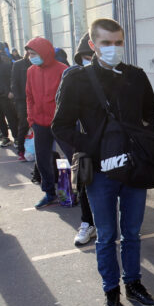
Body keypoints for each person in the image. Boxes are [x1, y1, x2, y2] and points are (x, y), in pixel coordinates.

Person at [52, 18, 154, 306]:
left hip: (134, 170)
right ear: (93, 45)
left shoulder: (135, 76)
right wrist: (91, 149)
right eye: (106, 43)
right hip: (100, 173)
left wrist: (141, 141)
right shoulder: (77, 79)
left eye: (118, 43)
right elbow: (60, 125)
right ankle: (111, 290)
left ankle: (133, 283)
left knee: (132, 233)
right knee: (105, 235)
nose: (113, 49)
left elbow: (151, 114)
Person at [57, 32, 97, 246]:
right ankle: (87, 223)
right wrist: (78, 144)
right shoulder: (73, 76)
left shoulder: (116, 73)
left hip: (109, 144)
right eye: (88, 55)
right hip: (82, 143)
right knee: (85, 181)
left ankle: (104, 222)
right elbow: (61, 119)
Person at [25, 36, 67, 208]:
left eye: (33, 53)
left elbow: (68, 98)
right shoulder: (31, 71)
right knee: (42, 159)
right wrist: (31, 118)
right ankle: (49, 193)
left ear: (44, 52)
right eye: (29, 54)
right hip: (39, 123)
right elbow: (29, 96)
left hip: (61, 123)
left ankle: (77, 191)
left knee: (72, 157)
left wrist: (65, 119)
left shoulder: (63, 69)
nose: (31, 57)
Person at [11, 50, 32, 161]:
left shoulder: (41, 64)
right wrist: (19, 100)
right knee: (24, 124)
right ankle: (21, 150)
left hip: (38, 100)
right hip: (23, 101)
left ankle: (35, 150)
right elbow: (14, 83)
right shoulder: (18, 64)